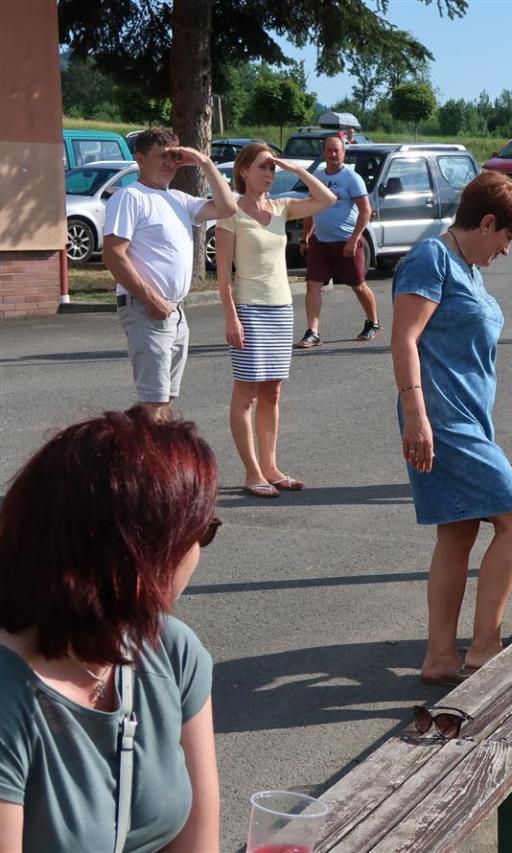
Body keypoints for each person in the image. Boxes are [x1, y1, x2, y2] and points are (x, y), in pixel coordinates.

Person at [0, 408, 222, 852]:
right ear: (139, 557)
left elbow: (198, 845)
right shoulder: (10, 697)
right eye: (202, 531)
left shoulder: (173, 651)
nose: (199, 550)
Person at [391, 170, 512, 686]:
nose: (506, 250)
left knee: (458, 532)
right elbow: (404, 338)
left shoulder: (467, 268)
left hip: (469, 418)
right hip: (443, 420)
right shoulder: (431, 258)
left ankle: (440, 657)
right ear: (487, 222)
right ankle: (484, 648)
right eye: (507, 237)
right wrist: (416, 415)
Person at [216, 142, 337, 498]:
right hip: (249, 309)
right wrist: (231, 317)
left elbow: (327, 199)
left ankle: (270, 467)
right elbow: (222, 276)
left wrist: (296, 170)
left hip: (281, 308)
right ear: (243, 171)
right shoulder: (231, 213)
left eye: (272, 168)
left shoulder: (282, 207)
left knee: (272, 391)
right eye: (263, 167)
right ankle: (252, 472)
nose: (269, 174)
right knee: (247, 392)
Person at [102, 127, 237, 418]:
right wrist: (151, 300)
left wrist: (204, 162)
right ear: (140, 159)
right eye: (162, 156)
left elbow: (227, 208)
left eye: (174, 157)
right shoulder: (130, 197)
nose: (169, 163)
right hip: (146, 309)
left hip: (175, 311)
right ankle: (135, 445)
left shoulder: (179, 199)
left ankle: (147, 443)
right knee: (153, 400)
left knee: (165, 397)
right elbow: (113, 254)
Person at [296, 134, 379, 348]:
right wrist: (306, 237)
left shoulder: (351, 178)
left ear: (344, 153)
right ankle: (313, 332)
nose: (333, 154)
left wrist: (354, 239)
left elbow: (365, 211)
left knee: (358, 286)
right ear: (324, 152)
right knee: (313, 285)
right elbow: (310, 209)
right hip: (320, 243)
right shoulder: (318, 178)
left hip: (346, 243)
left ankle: (373, 322)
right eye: (329, 150)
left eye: (337, 150)